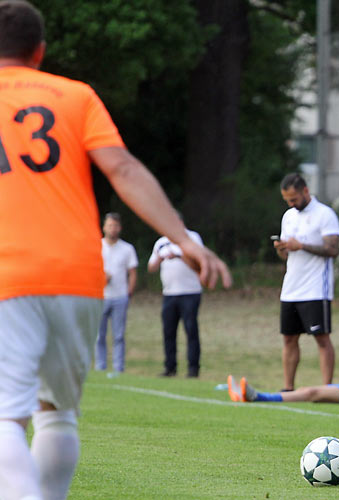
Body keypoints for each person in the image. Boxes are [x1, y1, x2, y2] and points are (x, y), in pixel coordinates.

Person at [0, 2, 232, 499]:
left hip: (8, 275)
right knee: (58, 415)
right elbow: (123, 170)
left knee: (6, 419)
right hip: (80, 274)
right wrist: (185, 240)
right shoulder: (75, 95)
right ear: (39, 51)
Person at [273, 173, 339, 390]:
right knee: (289, 338)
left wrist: (301, 246)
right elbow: (287, 256)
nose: (291, 204)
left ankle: (326, 388)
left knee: (321, 338)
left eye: (293, 199)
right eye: (287, 200)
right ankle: (288, 387)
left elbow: (332, 250)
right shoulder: (288, 216)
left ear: (305, 191)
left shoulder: (325, 214)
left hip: (315, 289)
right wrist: (282, 249)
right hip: (291, 288)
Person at [147, 225, 205, 378]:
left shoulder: (192, 238)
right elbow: (151, 267)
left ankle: (193, 369)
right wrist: (160, 257)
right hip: (169, 293)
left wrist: (179, 255)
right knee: (168, 331)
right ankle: (170, 367)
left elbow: (199, 261)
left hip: (190, 292)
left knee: (191, 330)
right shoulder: (161, 242)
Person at [96, 212, 138, 375]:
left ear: (119, 228)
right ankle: (100, 367)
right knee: (99, 336)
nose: (112, 229)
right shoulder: (97, 246)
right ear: (104, 227)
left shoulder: (127, 249)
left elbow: (133, 272)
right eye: (109, 225)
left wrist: (129, 292)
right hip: (100, 297)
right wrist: (101, 278)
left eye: (115, 226)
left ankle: (118, 368)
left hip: (120, 297)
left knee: (118, 335)